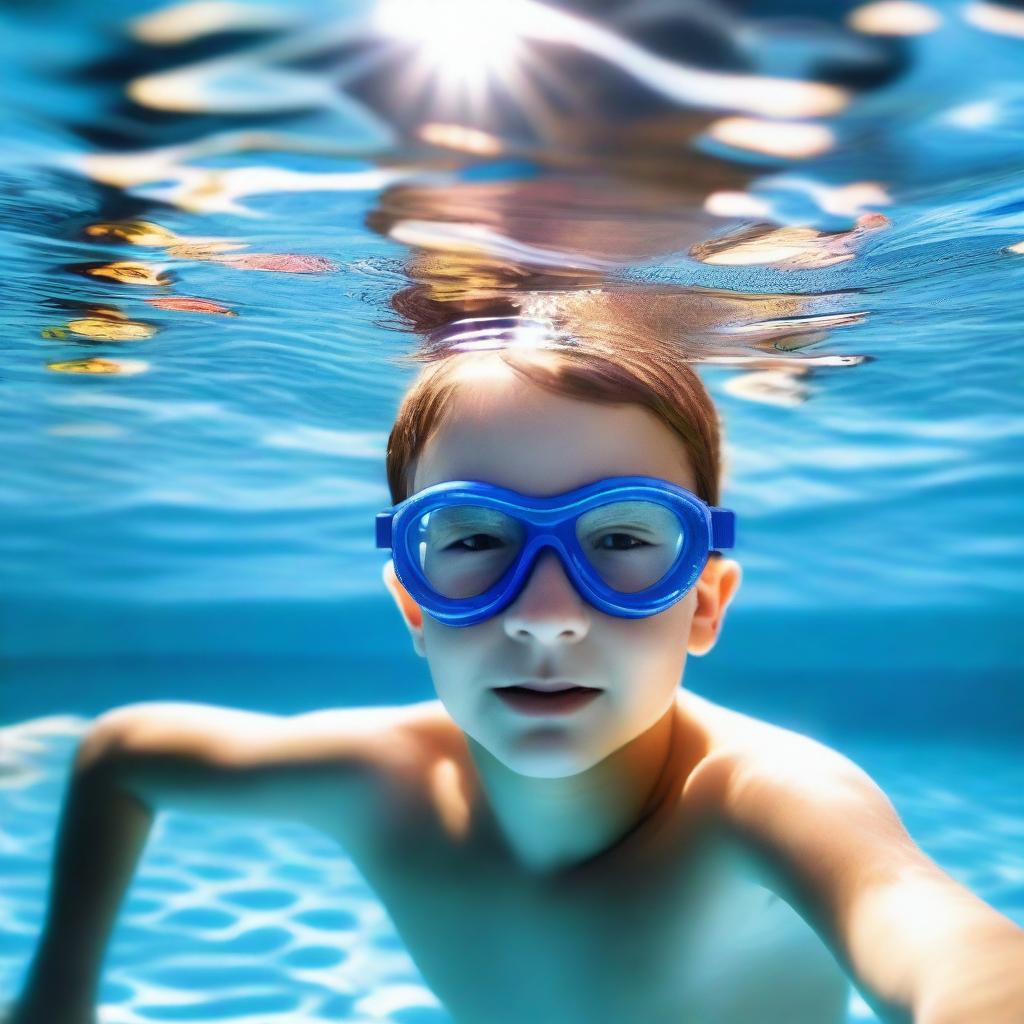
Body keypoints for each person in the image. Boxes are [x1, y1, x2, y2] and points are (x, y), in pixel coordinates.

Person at [10, 319, 1024, 1024]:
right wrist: (57, 993)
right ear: (412, 602)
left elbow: (944, 943)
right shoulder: (382, 781)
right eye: (473, 541)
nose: (545, 616)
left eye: (622, 539)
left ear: (703, 603)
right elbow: (122, 753)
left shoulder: (758, 801)